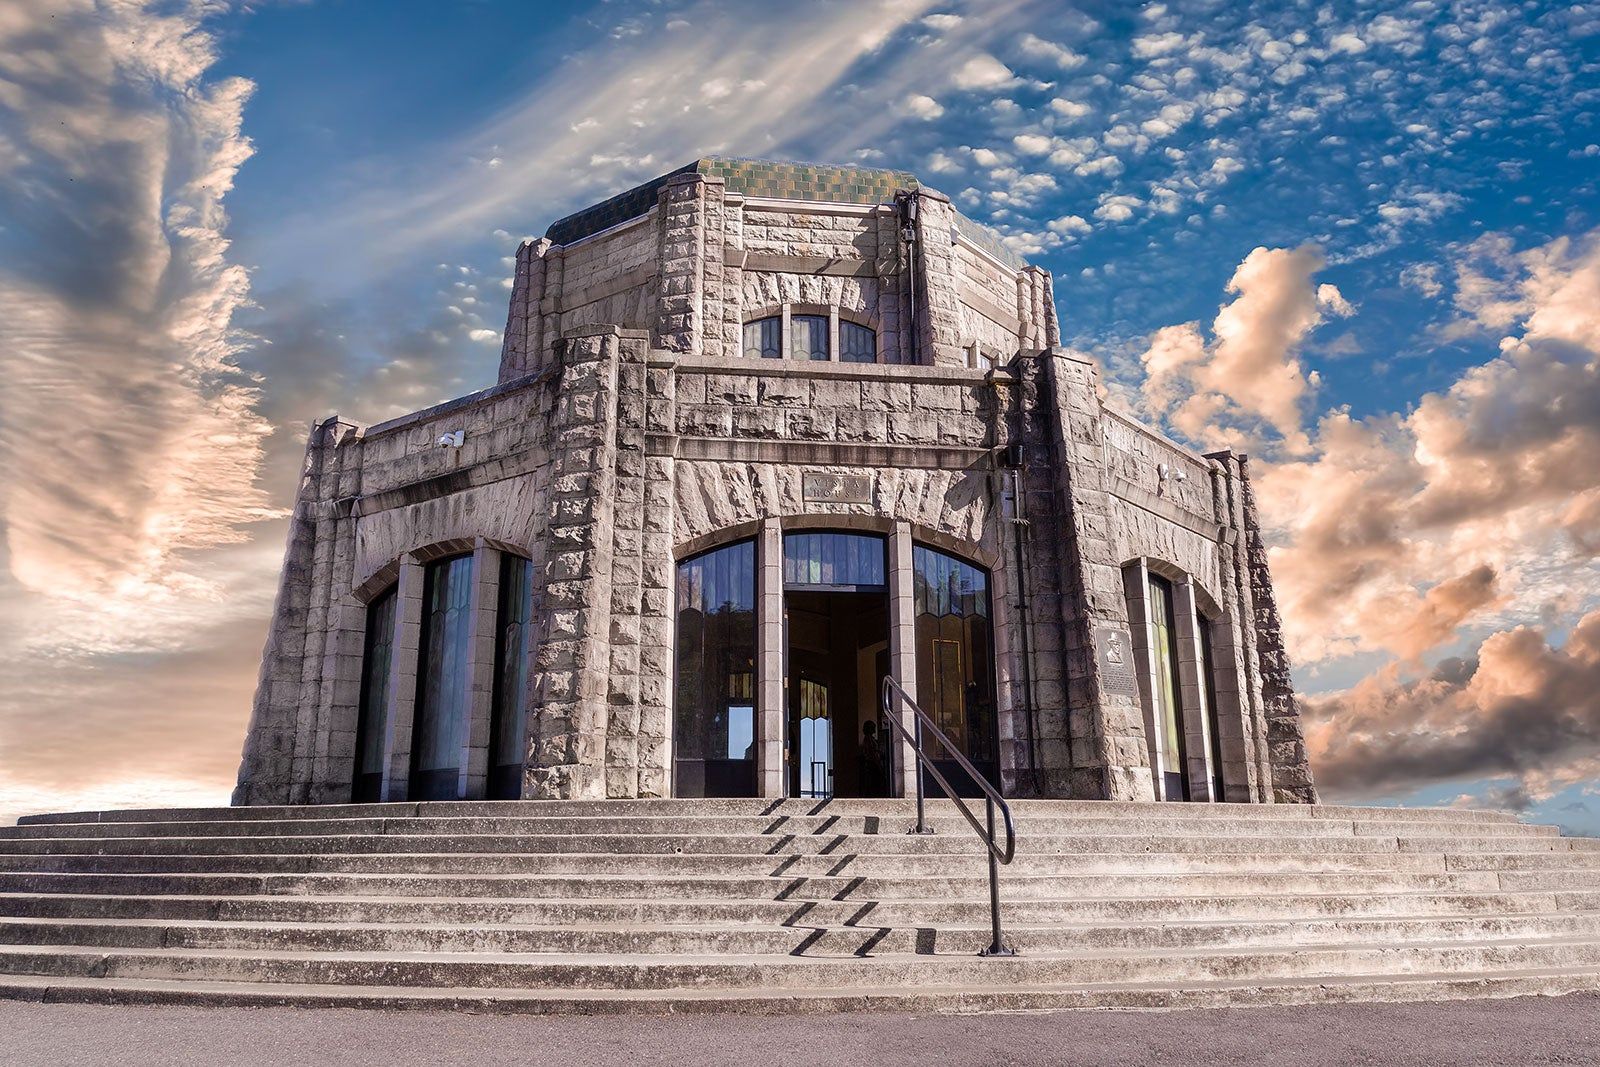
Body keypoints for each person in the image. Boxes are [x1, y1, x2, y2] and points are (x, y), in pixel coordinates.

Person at [860, 720, 887, 797]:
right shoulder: (869, 740)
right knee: (874, 783)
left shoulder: (870, 739)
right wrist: (879, 764)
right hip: (872, 764)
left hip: (872, 763)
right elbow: (872, 752)